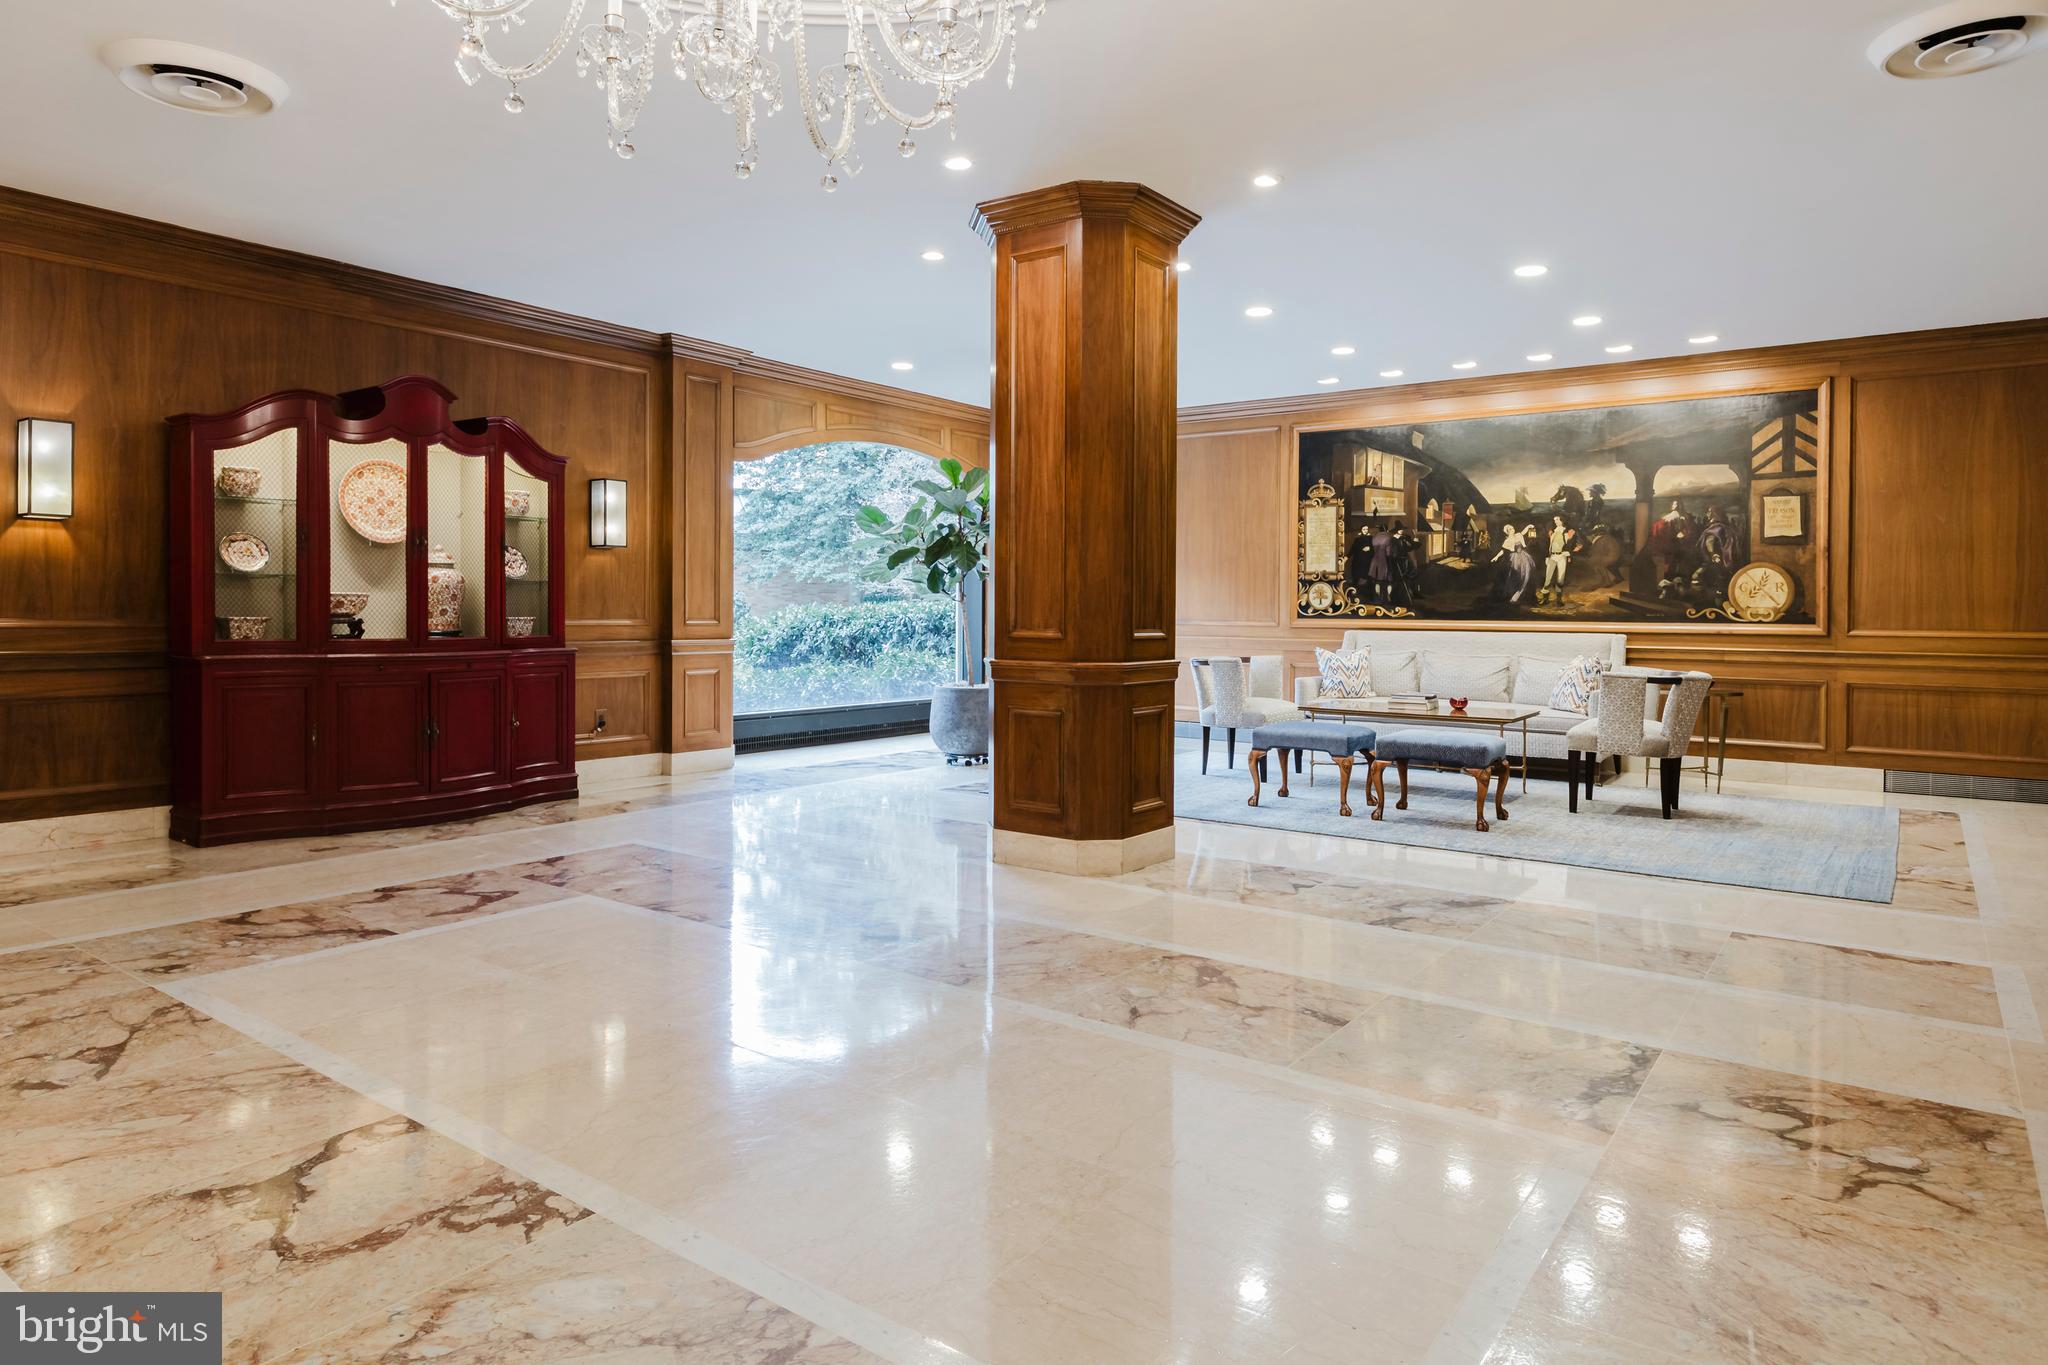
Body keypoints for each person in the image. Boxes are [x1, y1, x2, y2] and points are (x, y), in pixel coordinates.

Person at [1648, 500, 1697, 599]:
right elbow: (1661, 534)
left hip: (1681, 551)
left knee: (1680, 571)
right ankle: (1668, 591)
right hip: (1671, 551)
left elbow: (1690, 533)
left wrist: (1684, 535)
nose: (1677, 507)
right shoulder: (1667, 520)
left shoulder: (1684, 520)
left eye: (1679, 505)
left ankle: (1677, 591)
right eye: (1675, 504)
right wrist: (1677, 537)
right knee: (1670, 571)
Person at [1491, 522, 1536, 605]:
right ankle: (1512, 594)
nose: (1513, 530)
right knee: (1515, 576)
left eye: (1513, 528)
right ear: (1507, 532)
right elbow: (1503, 550)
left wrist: (1529, 526)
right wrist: (1496, 557)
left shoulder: (1518, 535)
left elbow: (1524, 532)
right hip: (1514, 558)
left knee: (1526, 575)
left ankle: (1519, 594)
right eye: (1510, 529)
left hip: (1523, 557)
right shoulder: (1507, 541)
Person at [1539, 514, 1572, 605]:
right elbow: (1547, 544)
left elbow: (1571, 544)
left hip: (1561, 557)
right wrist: (1547, 556)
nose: (1555, 521)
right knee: (1548, 578)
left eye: (1557, 519)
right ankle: (1545, 599)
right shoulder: (1552, 531)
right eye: (1555, 520)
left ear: (1562, 520)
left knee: (1560, 579)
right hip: (1552, 557)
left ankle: (1559, 600)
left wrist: (1568, 553)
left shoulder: (1567, 531)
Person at [1367, 521, 1396, 606]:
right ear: (1386, 530)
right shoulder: (1388, 537)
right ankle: (1388, 597)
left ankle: (1378, 597)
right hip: (1384, 561)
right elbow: (1389, 552)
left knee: (1377, 581)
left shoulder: (1374, 537)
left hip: (1375, 561)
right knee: (1389, 581)